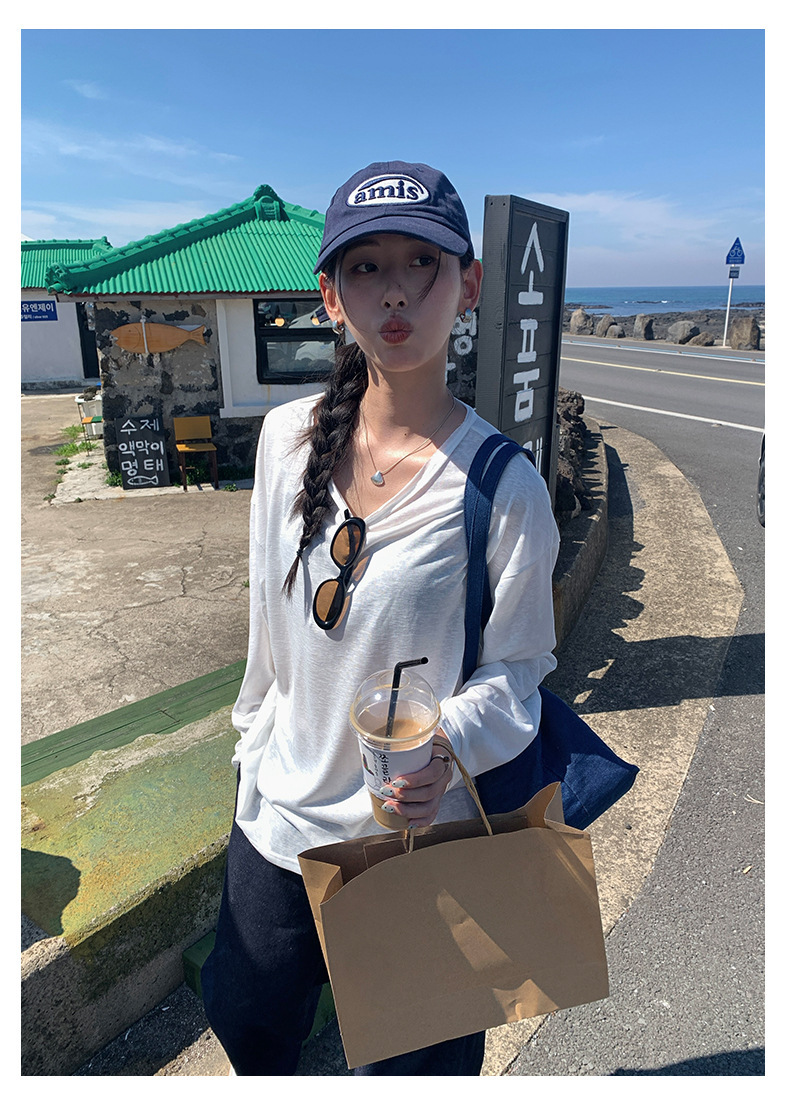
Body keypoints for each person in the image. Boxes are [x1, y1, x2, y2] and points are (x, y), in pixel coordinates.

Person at [201, 160, 560, 1076]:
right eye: (365, 268)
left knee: (410, 1072)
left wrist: (446, 746)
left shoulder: (503, 486)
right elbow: (267, 624)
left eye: (421, 263)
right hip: (278, 825)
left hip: (414, 844)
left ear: (468, 286)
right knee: (247, 1021)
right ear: (331, 297)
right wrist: (252, 745)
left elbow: (522, 667)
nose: (394, 291)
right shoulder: (285, 440)